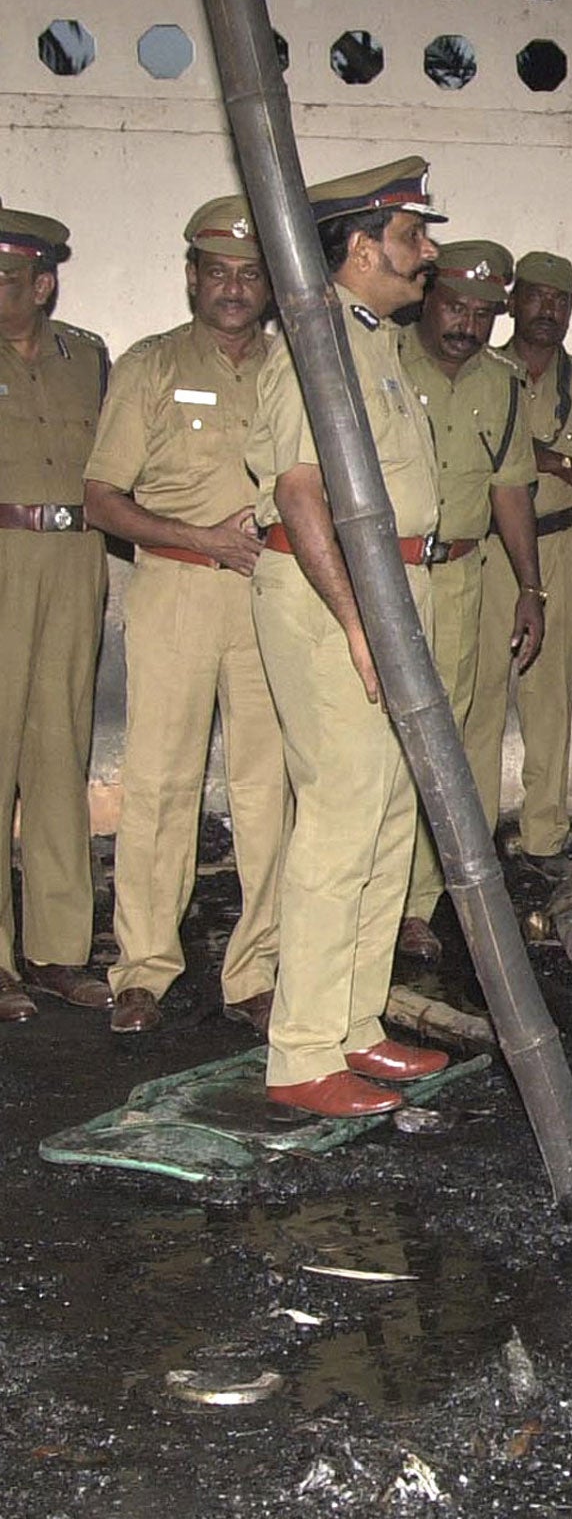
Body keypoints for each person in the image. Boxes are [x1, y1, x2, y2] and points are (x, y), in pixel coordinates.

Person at [244, 157, 452, 1117]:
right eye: (414, 236)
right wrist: (357, 620)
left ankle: (355, 1025)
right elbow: (298, 494)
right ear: (362, 247)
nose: (428, 254)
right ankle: (300, 1056)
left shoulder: (371, 342)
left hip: (390, 590)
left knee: (389, 814)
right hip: (339, 598)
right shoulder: (314, 343)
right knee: (339, 820)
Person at [82, 195, 287, 1035]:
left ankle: (259, 970)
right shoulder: (151, 366)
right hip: (174, 590)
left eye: (249, 274)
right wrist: (197, 535)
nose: (233, 288)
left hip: (274, 596)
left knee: (269, 788)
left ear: (270, 286)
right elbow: (100, 499)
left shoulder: (295, 370)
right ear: (192, 277)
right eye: (218, 272)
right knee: (162, 782)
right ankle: (142, 968)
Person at [394, 239, 544, 963]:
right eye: (456, 306)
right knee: (372, 743)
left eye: (485, 314)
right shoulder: (379, 363)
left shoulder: (500, 383)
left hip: (458, 576)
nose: (469, 325)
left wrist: (531, 587)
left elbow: (508, 487)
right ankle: (364, 896)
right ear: (426, 292)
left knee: (442, 744)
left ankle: (415, 906)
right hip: (384, 578)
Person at [465, 252, 572, 878]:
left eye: (560, 301)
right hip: (485, 549)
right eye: (536, 297)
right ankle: (475, 842)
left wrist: (554, 461)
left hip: (559, 545)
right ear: (512, 303)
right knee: (478, 697)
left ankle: (543, 840)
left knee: (549, 696)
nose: (548, 311)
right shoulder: (480, 372)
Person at [0, 205, 112, 1025]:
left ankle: (57, 951)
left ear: (41, 284)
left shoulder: (89, 359)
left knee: (59, 750)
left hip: (76, 560)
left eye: (6, 277)